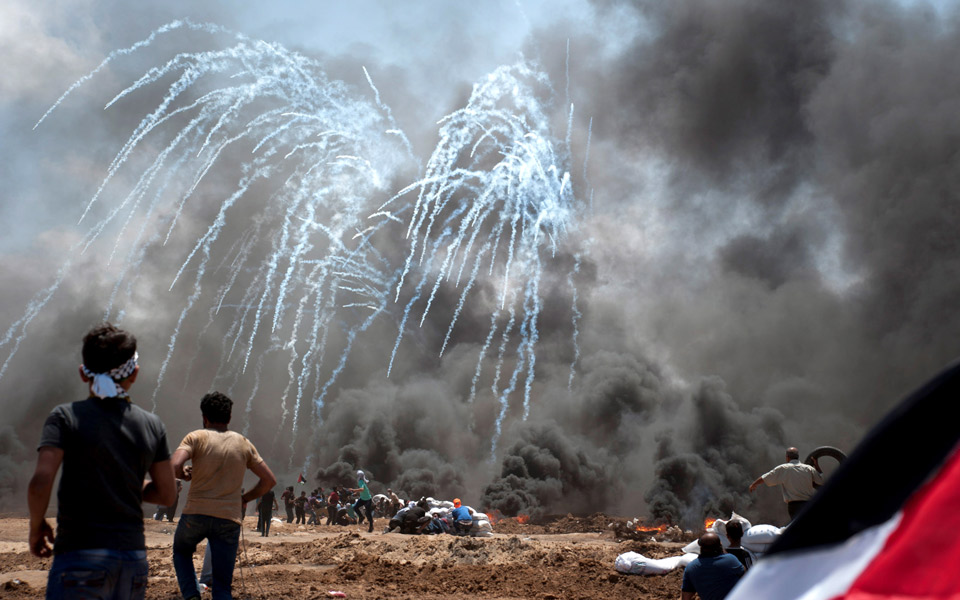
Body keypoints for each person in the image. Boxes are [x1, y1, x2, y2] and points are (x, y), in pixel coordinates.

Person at [27, 323, 177, 600]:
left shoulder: (65, 417)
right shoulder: (152, 425)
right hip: (132, 559)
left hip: (80, 554)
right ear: (134, 372)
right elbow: (167, 494)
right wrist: (130, 484)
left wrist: (36, 525)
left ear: (83, 373)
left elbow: (41, 481)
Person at [170, 391, 277, 600]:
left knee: (181, 551)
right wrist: (244, 499)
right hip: (229, 519)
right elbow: (269, 481)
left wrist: (183, 475)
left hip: (195, 514)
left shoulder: (196, 437)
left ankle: (192, 594)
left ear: (204, 417)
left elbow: (174, 465)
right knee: (222, 585)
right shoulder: (243, 443)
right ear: (229, 417)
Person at [749, 447, 824, 520]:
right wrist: (816, 465)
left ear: (787, 457)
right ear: (797, 456)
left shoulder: (784, 468)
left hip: (794, 506)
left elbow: (766, 477)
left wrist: (754, 484)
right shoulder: (809, 468)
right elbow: (821, 480)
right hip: (808, 505)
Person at [681, 532, 745, 600]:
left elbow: (686, 597)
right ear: (720, 545)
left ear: (701, 547)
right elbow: (745, 574)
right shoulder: (731, 560)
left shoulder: (691, 567)